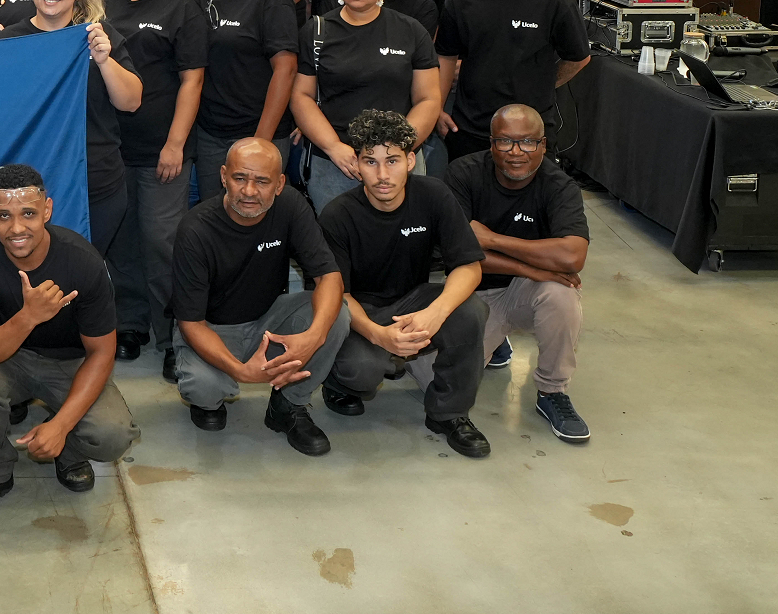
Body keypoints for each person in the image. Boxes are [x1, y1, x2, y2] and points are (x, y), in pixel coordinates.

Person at [0, 165, 138, 522]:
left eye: (28, 214)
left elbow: (102, 352)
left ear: (47, 210)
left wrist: (61, 425)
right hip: (7, 359)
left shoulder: (82, 260)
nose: (16, 228)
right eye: (4, 216)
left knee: (113, 434)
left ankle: (67, 449)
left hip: (71, 363)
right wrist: (29, 316)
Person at [317, 109, 491, 458]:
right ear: (357, 163)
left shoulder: (434, 195)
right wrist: (378, 335)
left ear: (411, 161)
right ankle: (338, 382)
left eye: (392, 161)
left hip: (414, 300)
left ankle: (449, 413)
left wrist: (435, 313)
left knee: (471, 311)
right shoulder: (337, 215)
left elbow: (469, 267)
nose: (382, 175)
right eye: (370, 162)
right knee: (361, 370)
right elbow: (337, 294)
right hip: (360, 313)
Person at [170, 137, 349, 451]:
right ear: (223, 176)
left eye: (262, 181)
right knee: (205, 389)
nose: (249, 191)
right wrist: (241, 371)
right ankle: (211, 395)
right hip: (212, 327)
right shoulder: (195, 229)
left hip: (269, 321)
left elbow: (329, 276)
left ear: (279, 184)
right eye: (240, 178)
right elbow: (191, 323)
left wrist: (315, 336)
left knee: (337, 313)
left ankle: (289, 405)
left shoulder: (291, 206)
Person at [446, 106, 591, 443]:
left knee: (561, 294)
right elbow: (458, 253)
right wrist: (532, 267)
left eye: (527, 142)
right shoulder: (463, 174)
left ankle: (552, 391)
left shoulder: (559, 186)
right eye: (505, 142)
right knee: (435, 382)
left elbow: (573, 256)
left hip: (527, 291)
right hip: (472, 294)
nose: (516, 152)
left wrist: (492, 240)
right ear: (491, 143)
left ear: (543, 144)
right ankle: (495, 341)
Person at [103, 0, 208, 370]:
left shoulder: (180, 4)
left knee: (163, 242)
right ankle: (130, 323)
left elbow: (192, 80)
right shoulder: (102, 0)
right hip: (111, 147)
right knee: (122, 241)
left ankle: (173, 339)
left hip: (163, 147)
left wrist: (175, 143)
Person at [0, 0, 142, 256]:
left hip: (95, 183)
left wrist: (104, 60)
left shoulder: (98, 36)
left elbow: (131, 102)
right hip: (29, 186)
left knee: (84, 270)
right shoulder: (8, 42)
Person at [293, 0, 443, 210]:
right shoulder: (316, 31)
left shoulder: (411, 31)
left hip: (398, 164)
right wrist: (333, 147)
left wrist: (398, 150)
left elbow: (428, 99)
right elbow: (302, 96)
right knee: (337, 235)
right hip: (336, 165)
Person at [436, 0, 589, 160]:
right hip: (470, 129)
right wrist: (438, 109)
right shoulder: (460, 0)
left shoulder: (555, 0)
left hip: (531, 131)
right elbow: (446, 56)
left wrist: (543, 85)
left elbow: (579, 58)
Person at [192, 0, 298, 205]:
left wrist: (259, 142)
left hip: (259, 130)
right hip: (210, 133)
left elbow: (286, 70)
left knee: (256, 214)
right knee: (215, 215)